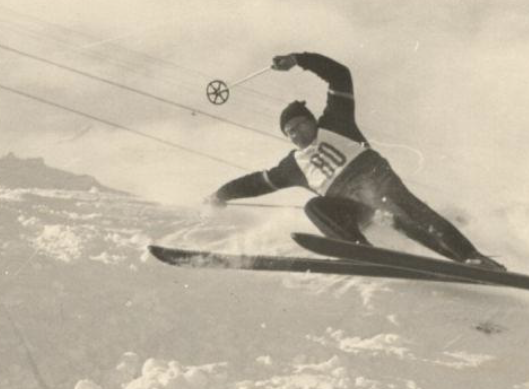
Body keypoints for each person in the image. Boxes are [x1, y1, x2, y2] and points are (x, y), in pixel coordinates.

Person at [208, 50, 506, 270]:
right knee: (314, 207)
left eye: (300, 126)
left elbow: (340, 75)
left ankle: (472, 258)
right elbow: (258, 182)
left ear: (312, 122)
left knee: (410, 217)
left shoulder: (335, 122)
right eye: (289, 133)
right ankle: (359, 251)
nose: (296, 134)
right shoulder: (293, 165)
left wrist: (299, 60)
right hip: (356, 208)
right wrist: (221, 194)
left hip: (376, 182)